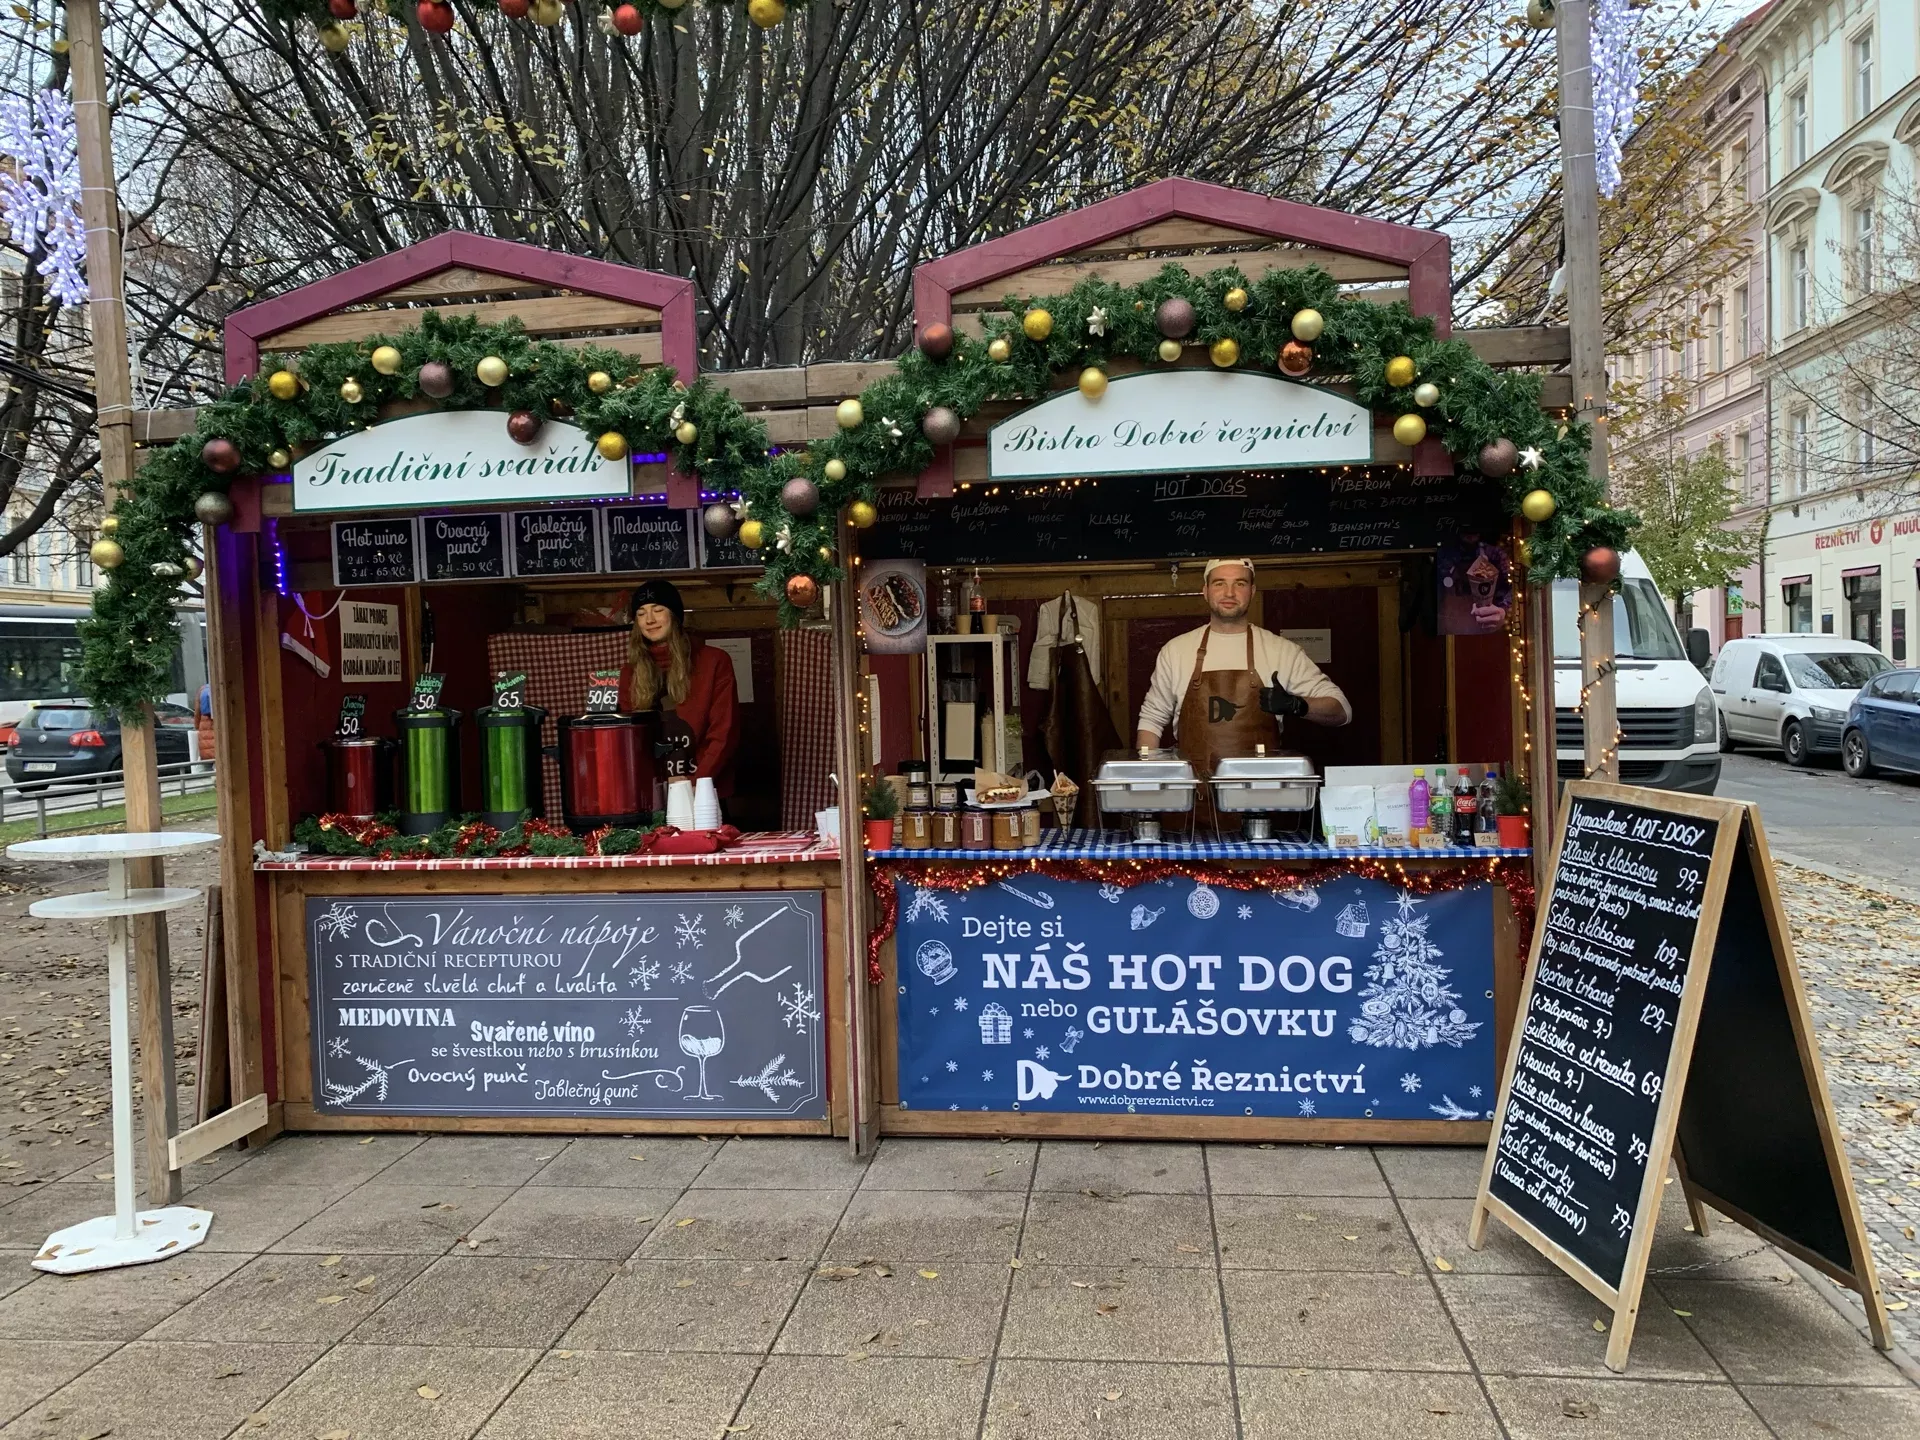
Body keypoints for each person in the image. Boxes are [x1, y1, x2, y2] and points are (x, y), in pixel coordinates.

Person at [1135, 559, 1349, 782]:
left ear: (1252, 591)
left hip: (1261, 798)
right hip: (1194, 801)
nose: (1229, 592)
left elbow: (1342, 710)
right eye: (1219, 583)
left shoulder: (1281, 651)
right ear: (1205, 591)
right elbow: (1151, 720)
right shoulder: (1176, 651)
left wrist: (1298, 704)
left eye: (1240, 583)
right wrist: (1147, 781)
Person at [619, 579, 740, 799]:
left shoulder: (714, 661)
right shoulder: (630, 673)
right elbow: (631, 741)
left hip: (704, 791)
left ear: (674, 615)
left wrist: (694, 783)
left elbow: (724, 732)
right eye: (641, 613)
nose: (650, 620)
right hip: (652, 795)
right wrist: (657, 782)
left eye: (658, 610)